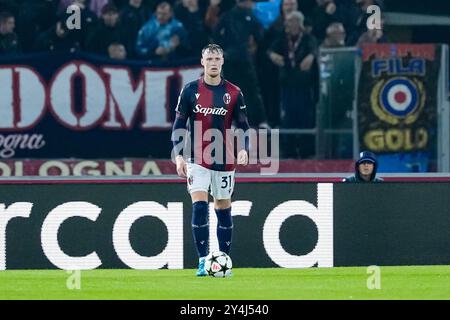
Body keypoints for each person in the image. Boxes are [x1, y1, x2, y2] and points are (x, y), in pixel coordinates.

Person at [171, 43, 250, 276]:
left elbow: (243, 126)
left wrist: (244, 149)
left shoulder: (234, 92)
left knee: (223, 208)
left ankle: (224, 259)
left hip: (225, 160)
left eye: (217, 59)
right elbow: (178, 125)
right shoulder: (189, 90)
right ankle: (203, 261)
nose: (213, 63)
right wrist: (178, 156)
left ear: (222, 62)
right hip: (197, 158)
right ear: (202, 61)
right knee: (199, 205)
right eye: (209, 59)